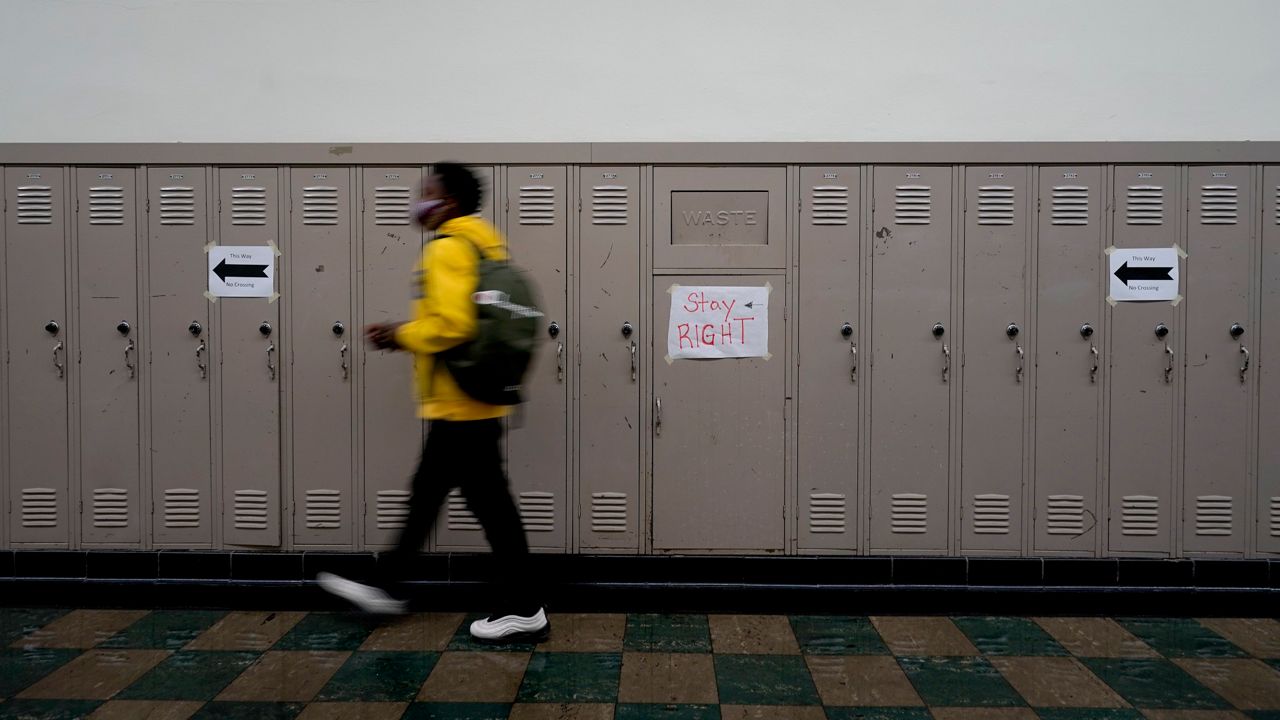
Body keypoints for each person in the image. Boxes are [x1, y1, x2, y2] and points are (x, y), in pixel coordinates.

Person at [318, 162, 549, 643]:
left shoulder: (446, 250)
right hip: (474, 399)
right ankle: (389, 585)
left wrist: (399, 334)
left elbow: (454, 325)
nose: (418, 201)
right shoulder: (485, 245)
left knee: (483, 507)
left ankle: (525, 607)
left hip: (459, 402)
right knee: (439, 497)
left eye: (427, 192)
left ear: (450, 203)